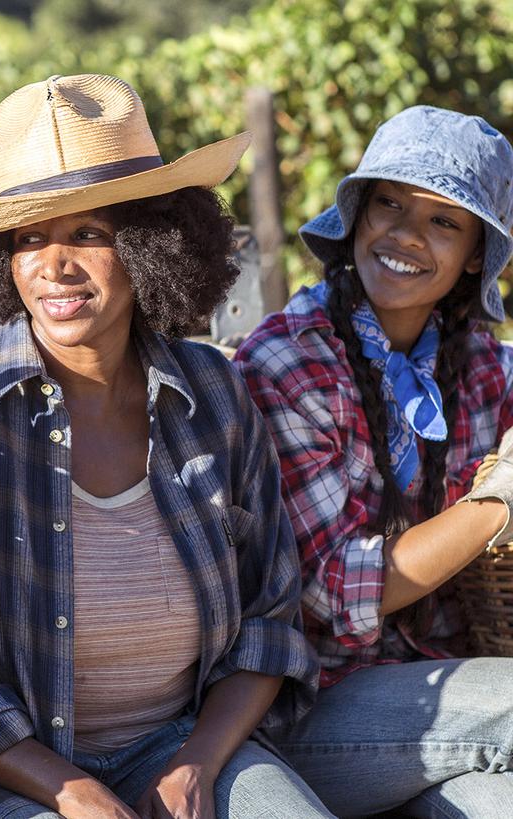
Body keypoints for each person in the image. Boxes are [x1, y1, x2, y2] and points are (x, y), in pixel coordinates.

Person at [0, 73, 327, 819]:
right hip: (3, 783)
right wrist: (76, 793)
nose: (54, 266)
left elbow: (269, 619)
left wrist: (195, 764)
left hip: (181, 742)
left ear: (152, 247)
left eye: (88, 233)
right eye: (29, 239)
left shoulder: (214, 397)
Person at [234, 105, 513, 816]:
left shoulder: (477, 362)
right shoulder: (289, 363)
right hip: (312, 707)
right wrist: (499, 500)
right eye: (389, 203)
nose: (404, 234)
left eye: (442, 221)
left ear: (477, 254)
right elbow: (332, 590)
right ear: (358, 215)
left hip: (435, 696)